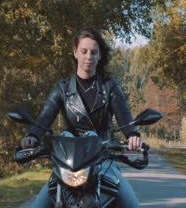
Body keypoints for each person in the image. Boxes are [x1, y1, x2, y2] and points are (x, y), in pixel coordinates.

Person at [21, 27, 143, 207]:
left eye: (94, 52)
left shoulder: (109, 87)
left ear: (100, 55)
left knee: (132, 204)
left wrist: (133, 135)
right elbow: (45, 117)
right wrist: (32, 136)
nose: (89, 57)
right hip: (67, 163)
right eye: (84, 51)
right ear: (75, 53)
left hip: (103, 161)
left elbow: (125, 119)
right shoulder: (62, 89)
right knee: (38, 205)